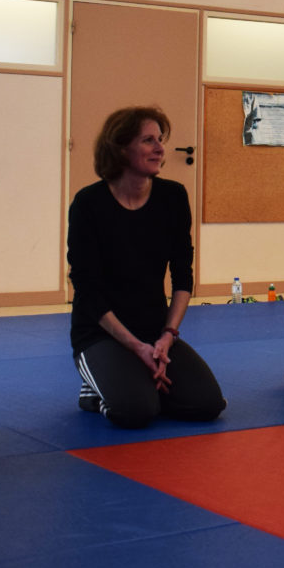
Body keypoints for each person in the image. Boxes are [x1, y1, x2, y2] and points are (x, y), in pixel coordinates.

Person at [68, 106, 226, 429]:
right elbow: (87, 290)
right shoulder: (88, 204)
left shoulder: (173, 197)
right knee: (136, 412)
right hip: (100, 333)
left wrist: (167, 336)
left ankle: (140, 381)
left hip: (155, 331)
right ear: (121, 148)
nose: (159, 149)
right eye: (148, 140)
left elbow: (183, 275)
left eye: (160, 140)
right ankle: (93, 390)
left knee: (207, 403)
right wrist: (136, 346)